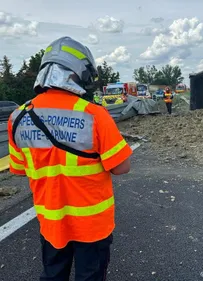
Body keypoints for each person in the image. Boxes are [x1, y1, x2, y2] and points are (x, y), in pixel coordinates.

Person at [7, 36, 133, 281]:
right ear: (78, 72)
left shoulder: (17, 118)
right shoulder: (94, 114)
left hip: (51, 222)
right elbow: (121, 167)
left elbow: (18, 170)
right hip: (93, 226)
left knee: (53, 274)